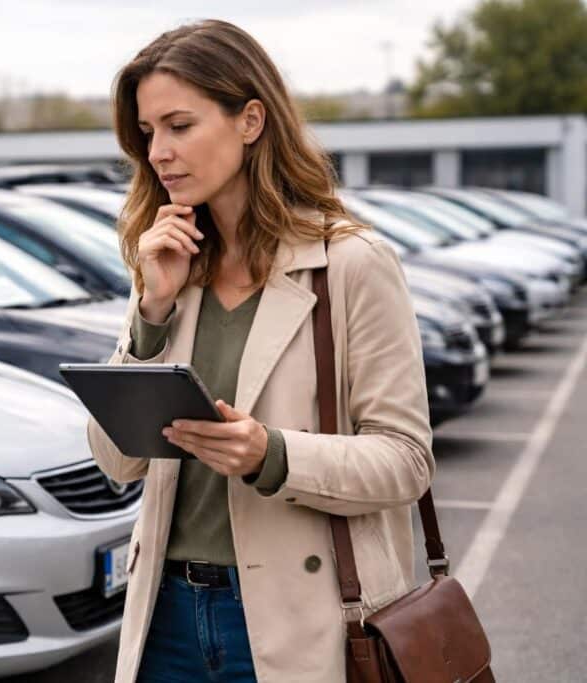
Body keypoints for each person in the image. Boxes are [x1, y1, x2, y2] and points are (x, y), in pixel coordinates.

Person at [87, 19, 434, 683]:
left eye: (180, 125)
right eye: (149, 132)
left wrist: (271, 454)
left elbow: (407, 460)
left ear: (250, 120)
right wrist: (151, 314)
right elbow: (118, 460)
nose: (158, 151)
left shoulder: (351, 264)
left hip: (296, 618)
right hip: (164, 617)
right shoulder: (168, 269)